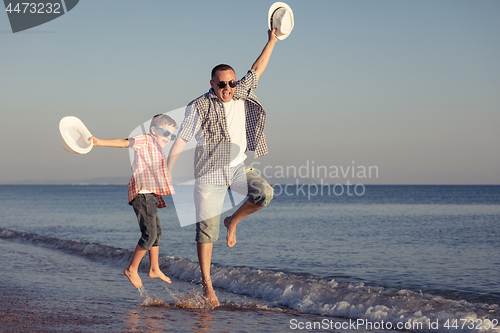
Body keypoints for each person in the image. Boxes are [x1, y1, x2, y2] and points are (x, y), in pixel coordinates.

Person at [167, 29, 278, 308]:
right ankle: (207, 286)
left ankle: (233, 221)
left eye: (230, 82)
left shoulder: (241, 91)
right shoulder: (199, 106)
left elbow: (257, 69)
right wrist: (165, 170)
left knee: (264, 194)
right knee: (206, 233)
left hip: (238, 168)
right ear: (212, 83)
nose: (227, 88)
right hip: (209, 175)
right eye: (222, 84)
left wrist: (272, 40)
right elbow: (181, 139)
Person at [89, 114, 177, 289]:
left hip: (151, 194)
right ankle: (131, 268)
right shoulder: (145, 139)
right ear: (154, 130)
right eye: (166, 134)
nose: (169, 139)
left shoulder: (159, 148)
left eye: (172, 136)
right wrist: (99, 141)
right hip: (142, 193)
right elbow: (123, 142)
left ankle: (154, 268)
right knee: (149, 235)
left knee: (157, 233)